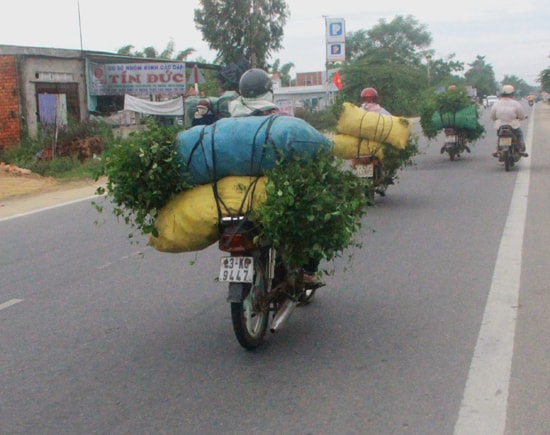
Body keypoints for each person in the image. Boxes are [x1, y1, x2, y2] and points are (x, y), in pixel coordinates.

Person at [490, 84, 528, 157]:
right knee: (519, 135)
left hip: (500, 126)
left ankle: (497, 149)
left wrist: (496, 119)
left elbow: (492, 117)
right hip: (513, 125)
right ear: (512, 94)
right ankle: (520, 149)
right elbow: (521, 116)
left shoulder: (496, 104)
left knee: (500, 136)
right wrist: (522, 117)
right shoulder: (516, 104)